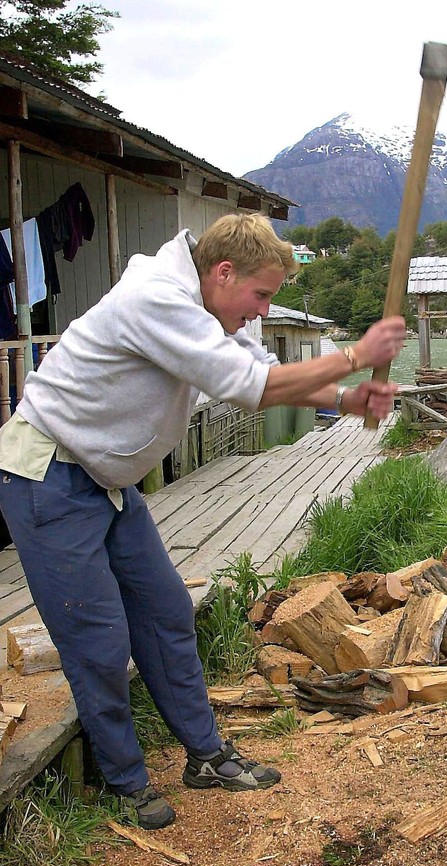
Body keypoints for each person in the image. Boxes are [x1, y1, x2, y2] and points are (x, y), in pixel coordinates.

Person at [0, 213, 405, 830]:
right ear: (222, 273)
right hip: (48, 474)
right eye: (261, 295)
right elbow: (255, 387)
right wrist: (354, 356)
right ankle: (123, 782)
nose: (262, 311)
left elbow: (261, 372)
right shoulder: (157, 298)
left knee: (165, 612)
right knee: (99, 640)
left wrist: (345, 399)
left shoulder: (212, 308)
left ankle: (206, 757)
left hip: (105, 480)